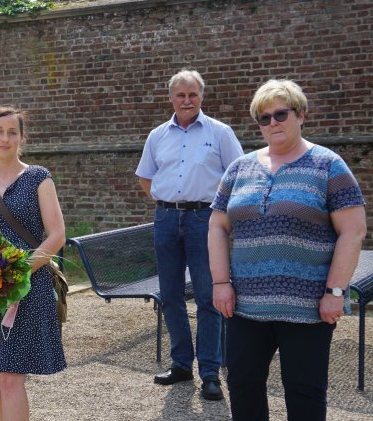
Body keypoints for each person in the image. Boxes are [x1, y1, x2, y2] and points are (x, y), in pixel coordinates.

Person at [208, 79, 366, 420]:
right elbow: (218, 226)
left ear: (301, 115)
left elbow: (353, 232)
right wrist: (221, 283)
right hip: (246, 306)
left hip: (308, 307)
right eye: (263, 118)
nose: (273, 123)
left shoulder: (328, 166)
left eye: (281, 113)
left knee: (305, 390)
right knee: (243, 383)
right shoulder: (240, 169)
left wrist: (335, 291)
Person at [135, 69, 243, 400]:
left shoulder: (220, 133)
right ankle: (181, 364)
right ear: (170, 98)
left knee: (210, 296)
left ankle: (210, 371)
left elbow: (238, 175)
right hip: (166, 218)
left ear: (202, 96)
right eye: (180, 95)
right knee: (170, 295)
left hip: (205, 220)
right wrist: (166, 201)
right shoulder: (157, 135)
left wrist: (218, 216)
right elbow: (146, 177)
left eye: (193, 94)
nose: (187, 100)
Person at [0, 107, 66, 420]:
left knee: (9, 376)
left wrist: (16, 272)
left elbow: (57, 235)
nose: (5, 138)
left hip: (28, 287)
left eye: (12, 132)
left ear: (21, 138)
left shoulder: (38, 178)